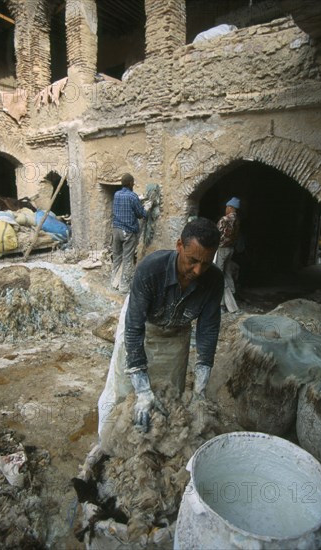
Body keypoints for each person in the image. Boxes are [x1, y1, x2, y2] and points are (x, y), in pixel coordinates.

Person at [98, 217, 224, 438]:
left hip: (177, 332)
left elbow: (208, 330)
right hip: (143, 325)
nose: (197, 271)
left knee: (169, 395)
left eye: (206, 263)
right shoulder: (150, 269)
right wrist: (143, 390)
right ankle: (109, 440)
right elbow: (134, 329)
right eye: (192, 260)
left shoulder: (213, 280)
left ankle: (156, 439)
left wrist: (200, 390)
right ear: (179, 246)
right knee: (124, 392)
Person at [112, 173, 148, 293]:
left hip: (116, 230)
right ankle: (123, 287)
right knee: (127, 259)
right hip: (128, 232)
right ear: (130, 183)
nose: (134, 184)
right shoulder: (133, 196)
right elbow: (140, 214)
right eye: (133, 182)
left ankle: (114, 282)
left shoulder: (116, 194)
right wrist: (146, 209)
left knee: (117, 256)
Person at [215, 197, 240, 313]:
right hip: (231, 249)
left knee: (218, 274)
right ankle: (233, 296)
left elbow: (216, 234)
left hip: (222, 249)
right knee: (228, 273)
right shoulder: (238, 220)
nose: (225, 209)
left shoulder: (224, 219)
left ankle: (221, 304)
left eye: (227, 207)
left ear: (231, 208)